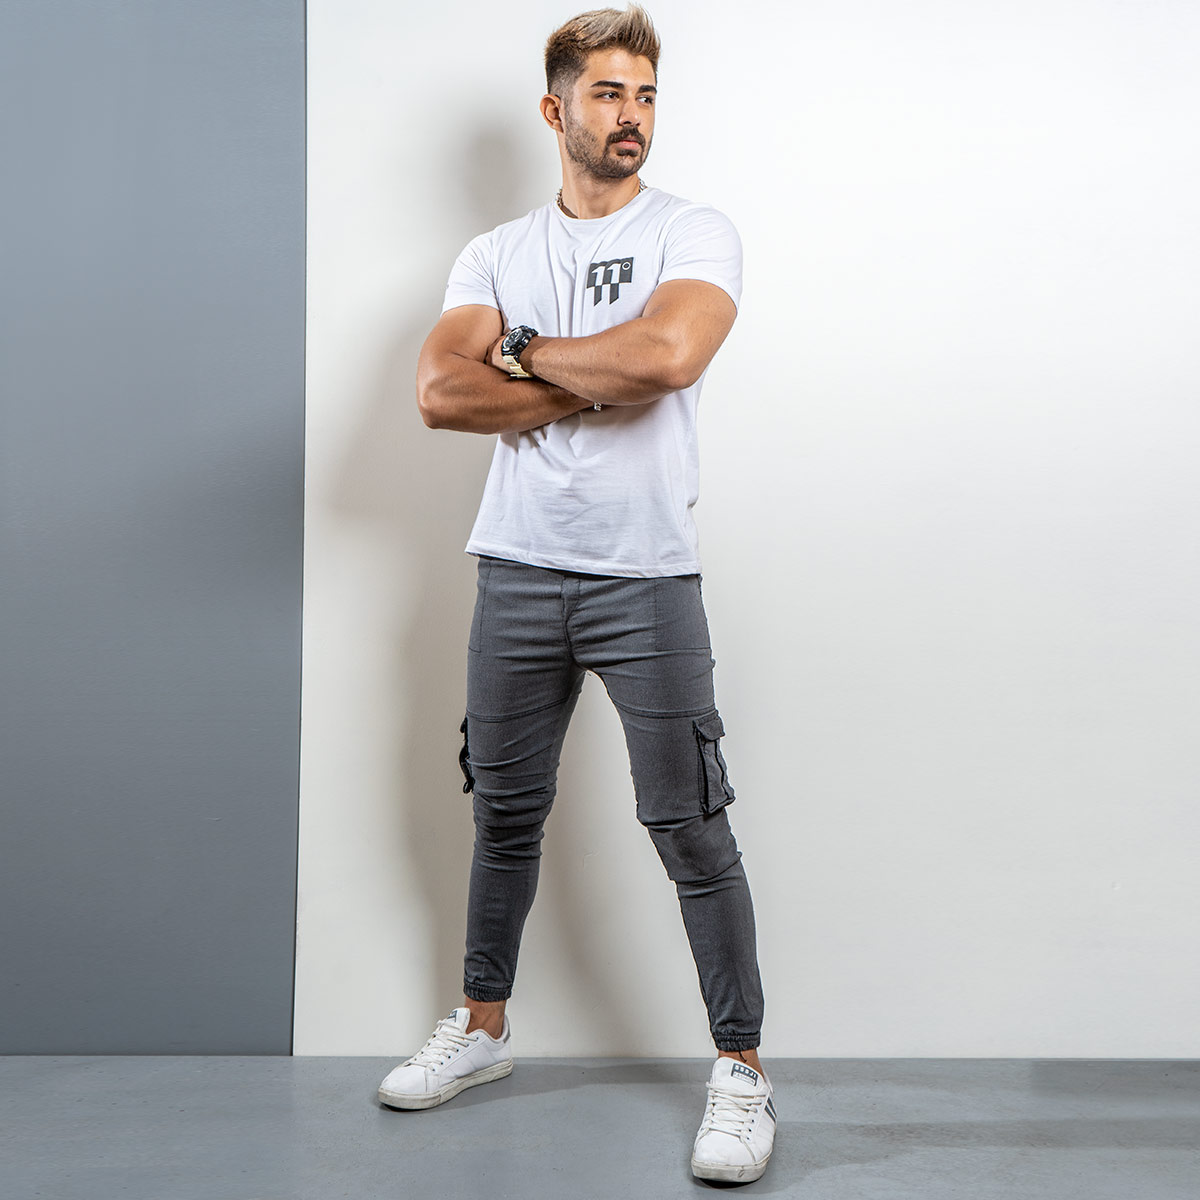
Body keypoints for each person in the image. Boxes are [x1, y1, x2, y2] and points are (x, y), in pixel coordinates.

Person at [378, 5, 774, 1184]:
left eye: (645, 95)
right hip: (516, 567)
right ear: (556, 110)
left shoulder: (693, 230)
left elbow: (669, 357)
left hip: (645, 575)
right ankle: (483, 1028)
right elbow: (441, 395)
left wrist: (522, 353)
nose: (631, 115)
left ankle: (742, 1070)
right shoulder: (494, 254)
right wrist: (596, 370)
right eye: (608, 94)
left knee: (688, 823)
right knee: (504, 812)